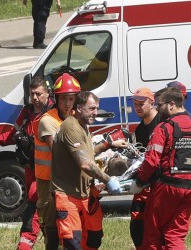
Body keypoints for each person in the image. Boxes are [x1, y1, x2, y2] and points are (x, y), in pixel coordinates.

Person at [132, 85, 191, 250]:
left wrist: (140, 181)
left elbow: (151, 161)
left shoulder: (163, 128)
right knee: (174, 235)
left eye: (160, 105)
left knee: (152, 235)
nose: (158, 108)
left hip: (168, 186)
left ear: (171, 105)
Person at [51, 90, 120, 250]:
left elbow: (87, 153)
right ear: (79, 108)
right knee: (73, 243)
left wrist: (107, 145)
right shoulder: (71, 127)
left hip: (85, 194)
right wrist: (108, 180)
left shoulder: (83, 126)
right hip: (67, 196)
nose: (95, 113)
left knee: (94, 238)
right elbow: (85, 163)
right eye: (91, 108)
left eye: (96, 108)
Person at [34, 74, 80, 250]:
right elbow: (59, 153)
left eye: (71, 98)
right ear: (56, 98)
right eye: (63, 99)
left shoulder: (76, 117)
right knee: (51, 228)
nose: (67, 103)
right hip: (48, 182)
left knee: (67, 225)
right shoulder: (47, 120)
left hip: (67, 181)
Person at [15, 76, 53, 250]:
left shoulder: (52, 114)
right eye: (32, 94)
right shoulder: (28, 112)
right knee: (43, 218)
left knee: (34, 213)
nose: (35, 98)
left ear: (47, 94)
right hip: (32, 169)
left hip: (47, 175)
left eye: (39, 94)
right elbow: (12, 133)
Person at [127, 87, 160, 250]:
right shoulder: (139, 130)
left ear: (152, 103)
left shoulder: (161, 122)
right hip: (143, 183)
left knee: (157, 230)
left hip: (160, 184)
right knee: (137, 228)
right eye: (135, 104)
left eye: (142, 103)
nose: (138, 107)